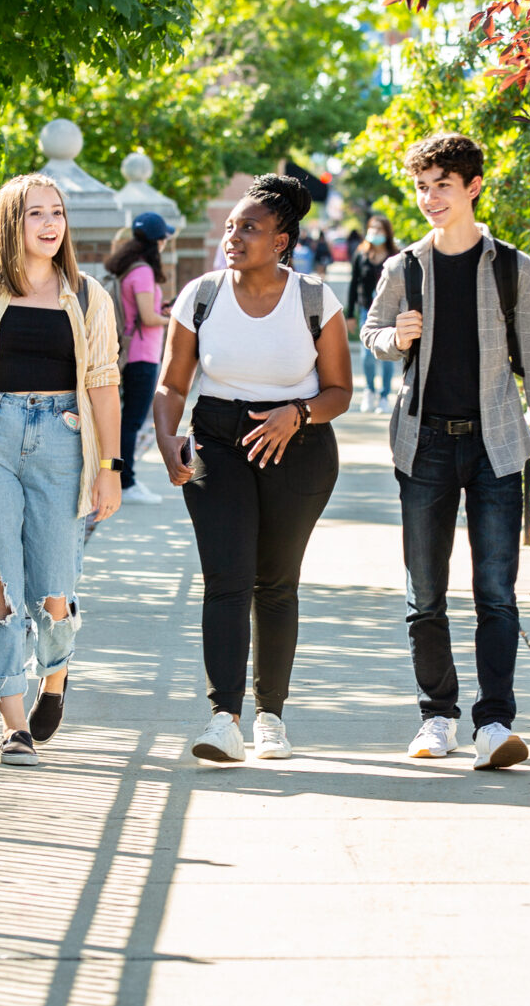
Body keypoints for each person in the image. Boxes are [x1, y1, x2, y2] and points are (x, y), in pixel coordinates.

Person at [362, 133, 530, 771]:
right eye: (422, 187)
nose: (429, 199)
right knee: (423, 593)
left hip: (497, 448)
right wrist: (393, 338)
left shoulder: (513, 269)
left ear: (473, 186)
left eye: (442, 186)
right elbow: (370, 333)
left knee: (495, 593)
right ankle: (437, 717)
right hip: (423, 444)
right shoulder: (403, 268)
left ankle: (494, 722)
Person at [152, 174, 353, 764]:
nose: (232, 236)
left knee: (275, 583)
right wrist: (168, 440)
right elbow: (171, 384)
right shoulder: (201, 295)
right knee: (226, 579)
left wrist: (299, 412)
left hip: (300, 445)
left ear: (282, 240)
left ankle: (271, 719)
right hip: (219, 441)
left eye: (249, 228)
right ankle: (224, 718)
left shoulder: (315, 298)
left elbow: (339, 390)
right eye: (231, 226)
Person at [0, 173, 124, 767]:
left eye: (57, 213)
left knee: (55, 591)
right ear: (10, 223)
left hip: (63, 442)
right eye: (35, 213)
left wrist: (110, 468)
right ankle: (14, 725)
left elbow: (104, 383)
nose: (49, 224)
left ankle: (55, 677)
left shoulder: (88, 295)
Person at [107, 211, 174, 505]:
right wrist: (171, 318)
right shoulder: (143, 271)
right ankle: (126, 482)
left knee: (125, 422)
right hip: (141, 356)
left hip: (131, 354)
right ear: (158, 241)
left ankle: (119, 477)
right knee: (131, 423)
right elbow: (147, 317)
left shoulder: (128, 268)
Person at [347, 214, 400, 413]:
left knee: (386, 353)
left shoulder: (395, 256)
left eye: (380, 230)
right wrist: (349, 313)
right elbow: (354, 283)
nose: (375, 233)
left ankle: (384, 395)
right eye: (372, 229)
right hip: (366, 310)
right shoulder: (361, 254)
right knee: (367, 354)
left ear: (387, 233)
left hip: (390, 311)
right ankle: (370, 390)